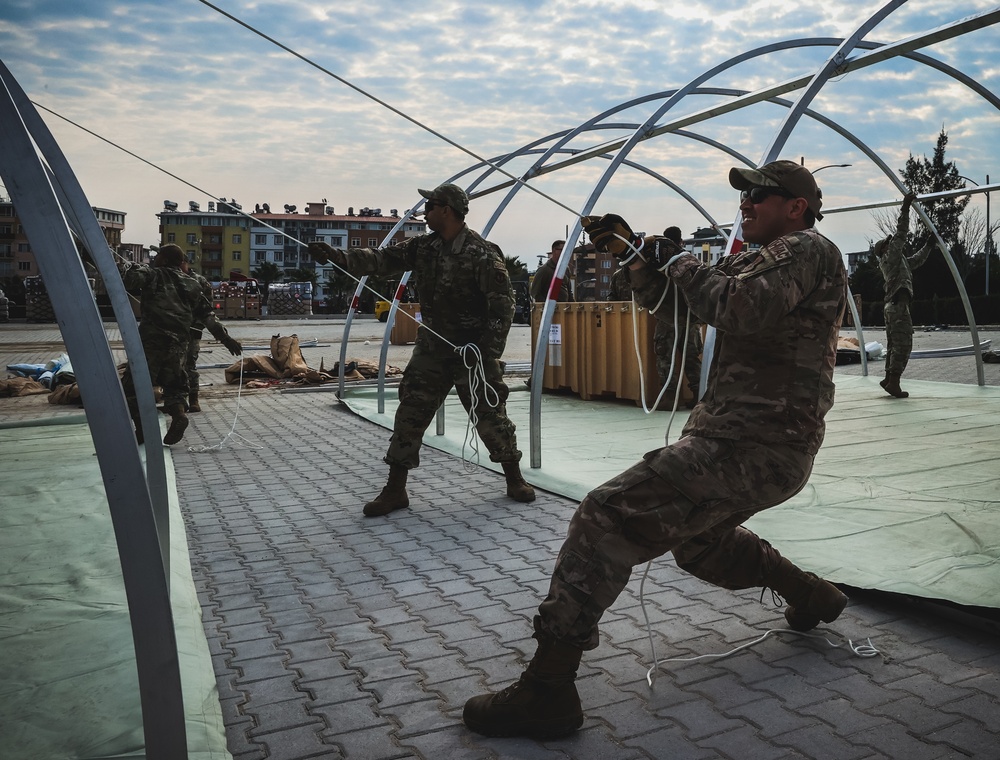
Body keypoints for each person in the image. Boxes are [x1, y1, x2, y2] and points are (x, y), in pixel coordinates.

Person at [463, 159, 849, 740]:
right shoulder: (760, 258)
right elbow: (677, 306)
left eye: (760, 196)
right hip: (749, 444)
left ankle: (548, 689)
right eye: (744, 196)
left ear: (795, 207)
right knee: (701, 547)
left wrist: (683, 261)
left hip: (754, 444)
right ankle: (811, 595)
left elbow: (733, 307)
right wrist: (635, 258)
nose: (746, 204)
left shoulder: (807, 248)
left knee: (606, 514)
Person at [307, 183, 535, 517]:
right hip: (432, 348)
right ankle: (395, 490)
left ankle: (514, 478)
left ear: (448, 210)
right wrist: (336, 256)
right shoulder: (423, 248)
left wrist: (487, 352)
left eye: (431, 206)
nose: (424, 211)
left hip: (473, 351)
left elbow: (503, 306)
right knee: (411, 413)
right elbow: (382, 259)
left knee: (489, 414)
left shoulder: (481, 253)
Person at [119, 244, 242, 444]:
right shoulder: (192, 284)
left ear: (165, 260)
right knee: (174, 386)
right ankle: (179, 416)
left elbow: (129, 282)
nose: (156, 258)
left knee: (134, 387)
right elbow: (209, 316)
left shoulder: (154, 275)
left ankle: (142, 429)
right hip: (178, 345)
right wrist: (227, 340)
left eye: (158, 255)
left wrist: (133, 267)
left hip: (152, 343)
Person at [873, 191, 933, 398]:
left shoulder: (898, 262)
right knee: (903, 344)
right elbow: (901, 232)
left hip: (894, 305)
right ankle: (894, 381)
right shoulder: (890, 256)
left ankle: (890, 379)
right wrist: (906, 206)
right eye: (889, 243)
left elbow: (915, 261)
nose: (893, 243)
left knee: (894, 343)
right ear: (884, 249)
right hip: (897, 305)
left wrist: (928, 246)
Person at [184, 269, 239, 413]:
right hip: (165, 333)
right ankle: (177, 403)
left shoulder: (198, 282)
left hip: (192, 331)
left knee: (189, 365)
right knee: (170, 369)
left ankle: (193, 398)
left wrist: (225, 339)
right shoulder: (164, 277)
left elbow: (207, 311)